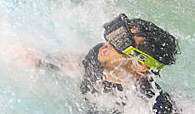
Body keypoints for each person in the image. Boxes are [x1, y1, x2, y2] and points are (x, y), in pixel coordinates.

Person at [22, 15, 179, 113]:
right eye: (115, 34)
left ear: (139, 64)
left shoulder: (142, 104)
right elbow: (75, 63)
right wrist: (40, 61)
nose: (107, 43)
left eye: (120, 41)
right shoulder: (98, 55)